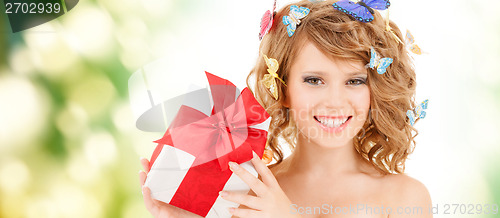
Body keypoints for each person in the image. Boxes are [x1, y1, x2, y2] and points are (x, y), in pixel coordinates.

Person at [139, 0, 432, 217]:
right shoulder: (247, 190)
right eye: (314, 80)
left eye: (354, 81)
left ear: (374, 91)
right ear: (283, 89)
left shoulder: (403, 198)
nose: (334, 100)